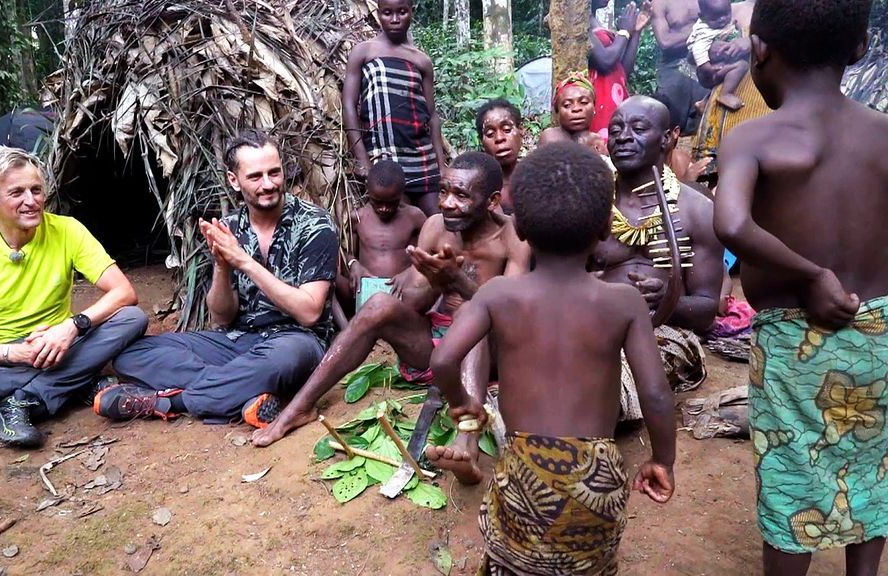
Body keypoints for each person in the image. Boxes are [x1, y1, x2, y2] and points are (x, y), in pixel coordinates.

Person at [429, 141, 676, 575]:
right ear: (605, 227)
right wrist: (662, 460)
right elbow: (655, 394)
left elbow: (446, 360)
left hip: (524, 471)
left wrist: (464, 409)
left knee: (509, 560)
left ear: (520, 229)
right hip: (596, 479)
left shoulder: (497, 295)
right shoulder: (623, 301)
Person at [713, 0, 888, 573]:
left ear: (759, 48)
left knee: (792, 481)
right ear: (860, 46)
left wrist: (811, 275)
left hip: (795, 342)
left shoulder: (754, 138)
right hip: (880, 333)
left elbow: (734, 223)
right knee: (871, 466)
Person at [251, 152, 532, 452]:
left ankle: (468, 440)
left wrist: (458, 282)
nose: (447, 203)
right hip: (437, 352)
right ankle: (299, 408)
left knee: (469, 312)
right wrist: (435, 282)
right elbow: (413, 306)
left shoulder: (513, 237)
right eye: (443, 191)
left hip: (489, 352)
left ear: (492, 201)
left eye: (461, 195)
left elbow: (508, 318)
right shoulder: (436, 227)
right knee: (379, 304)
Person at [96, 130, 338, 429]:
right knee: (132, 355)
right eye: (256, 176)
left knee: (281, 360)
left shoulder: (315, 224)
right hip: (238, 342)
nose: (268, 184)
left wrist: (244, 262)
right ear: (234, 181)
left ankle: (170, 402)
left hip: (296, 341)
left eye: (274, 173)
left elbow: (310, 311)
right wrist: (223, 266)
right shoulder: (230, 227)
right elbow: (222, 317)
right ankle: (243, 391)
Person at [0, 147, 147, 448]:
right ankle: (76, 381)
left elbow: (124, 292)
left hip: (60, 343)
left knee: (132, 318)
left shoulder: (67, 230)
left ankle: (20, 402)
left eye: (36, 190)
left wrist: (71, 327)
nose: (31, 201)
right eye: (17, 193)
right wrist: (13, 354)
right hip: (0, 354)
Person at [595, 96, 724, 420]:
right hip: (594, 324)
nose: (623, 137)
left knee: (609, 373)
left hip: (666, 332)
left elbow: (707, 309)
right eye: (616, 129)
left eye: (638, 128)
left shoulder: (697, 210)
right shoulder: (590, 204)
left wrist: (669, 300)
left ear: (668, 137)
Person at [342, 0, 445, 216]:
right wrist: (362, 160)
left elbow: (432, 116)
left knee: (437, 221)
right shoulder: (364, 52)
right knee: (400, 226)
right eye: (388, 13)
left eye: (402, 12)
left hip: (421, 157)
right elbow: (349, 106)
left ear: (411, 13)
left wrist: (441, 164)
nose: (395, 19)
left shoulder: (421, 60)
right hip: (385, 158)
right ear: (378, 14)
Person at [335, 160, 426, 329]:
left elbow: (428, 254)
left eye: (391, 202)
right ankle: (345, 328)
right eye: (377, 201)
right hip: (365, 289)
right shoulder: (358, 217)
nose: (384, 208)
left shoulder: (415, 217)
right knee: (329, 277)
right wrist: (354, 265)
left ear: (401, 193)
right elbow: (346, 252)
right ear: (368, 192)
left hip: (400, 290)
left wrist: (410, 272)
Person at [691, 0, 773, 180]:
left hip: (765, 106)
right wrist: (711, 53)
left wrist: (752, 42)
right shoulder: (728, 11)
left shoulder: (793, 11)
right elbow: (700, 69)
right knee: (715, 186)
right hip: (721, 115)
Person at [589, 0, 652, 138]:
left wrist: (635, 31)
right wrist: (624, 32)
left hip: (614, 100)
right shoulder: (580, 23)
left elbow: (622, 70)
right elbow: (606, 61)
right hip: (598, 105)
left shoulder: (594, 21)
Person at [650, 0, 713, 134]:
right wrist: (701, 31)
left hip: (705, 63)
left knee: (706, 122)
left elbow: (725, 23)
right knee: (668, 123)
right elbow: (665, 42)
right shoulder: (660, 3)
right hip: (673, 67)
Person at [688, 0, 750, 110]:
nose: (722, 19)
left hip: (722, 65)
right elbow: (697, 51)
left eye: (726, 14)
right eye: (715, 18)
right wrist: (708, 68)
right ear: (702, 16)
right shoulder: (704, 31)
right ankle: (725, 94)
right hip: (711, 71)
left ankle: (705, 102)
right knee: (742, 66)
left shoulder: (720, 19)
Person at [475, 98, 524, 214]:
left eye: (507, 130)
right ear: (481, 141)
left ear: (521, 130)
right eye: (490, 134)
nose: (499, 138)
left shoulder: (538, 177)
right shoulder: (477, 187)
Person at [539, 72, 596, 147]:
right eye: (567, 105)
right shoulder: (550, 138)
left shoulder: (599, 141)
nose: (576, 108)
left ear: (594, 108)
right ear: (557, 111)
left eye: (583, 102)